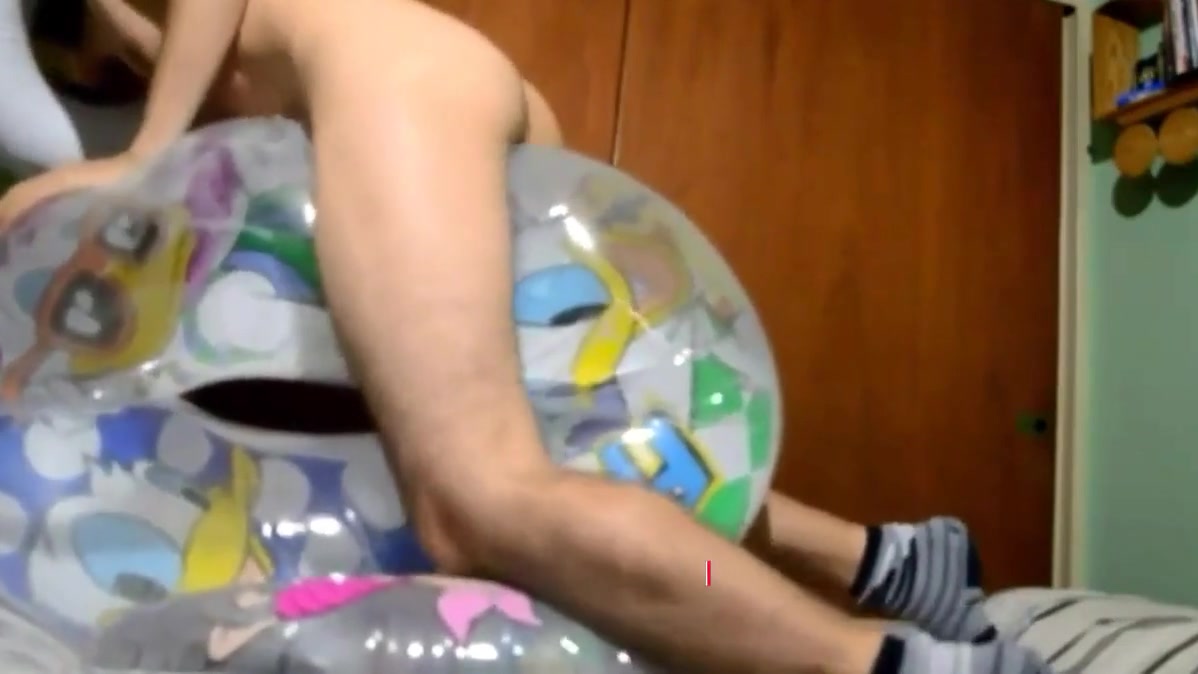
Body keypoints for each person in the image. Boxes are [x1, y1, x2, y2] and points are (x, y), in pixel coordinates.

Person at [0, 1, 1053, 672]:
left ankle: (877, 662)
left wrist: (144, 147)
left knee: (478, 496)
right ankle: (899, 561)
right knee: (577, 455)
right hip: (411, 100)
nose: (108, 78)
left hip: (389, 88)